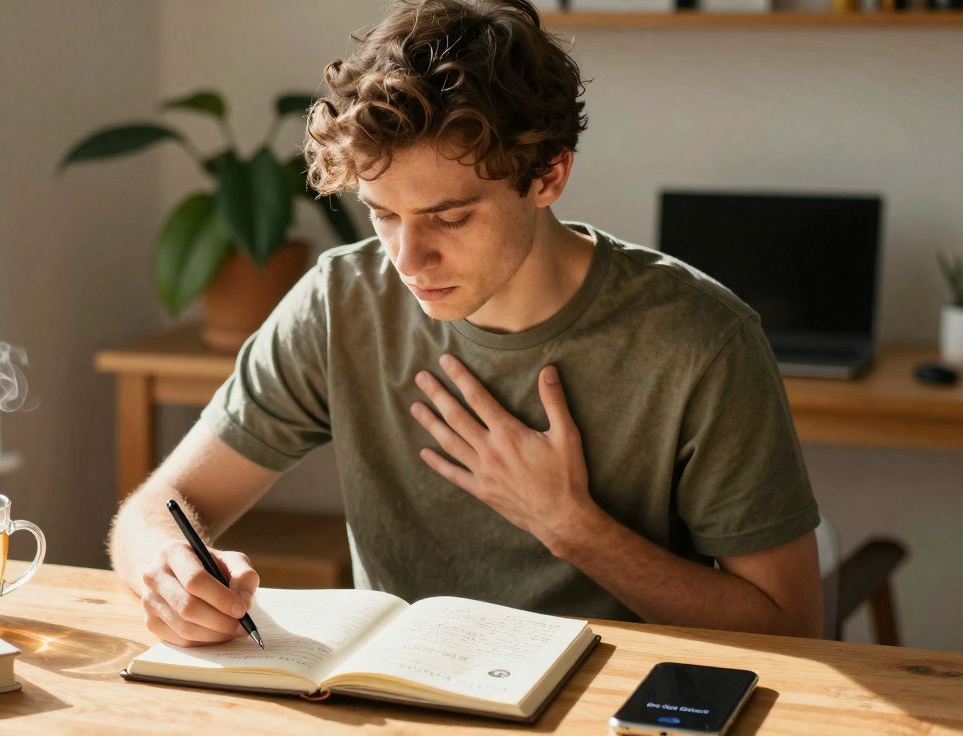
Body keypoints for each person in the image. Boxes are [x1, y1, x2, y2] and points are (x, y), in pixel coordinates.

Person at [108, 0, 822, 648]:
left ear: (548, 176)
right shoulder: (341, 301)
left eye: (450, 217)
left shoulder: (702, 341)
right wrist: (169, 572)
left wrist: (572, 527)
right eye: (383, 214)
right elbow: (155, 510)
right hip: (394, 707)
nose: (408, 259)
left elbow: (792, 628)